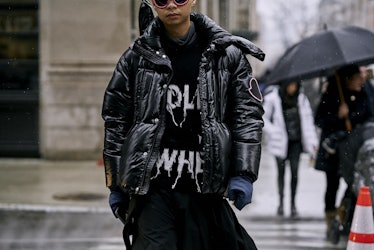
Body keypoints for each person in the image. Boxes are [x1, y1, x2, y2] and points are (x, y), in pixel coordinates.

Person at [101, 0, 265, 249]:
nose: (171, 6)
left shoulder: (227, 56)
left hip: (205, 188)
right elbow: (116, 121)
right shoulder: (135, 58)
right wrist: (116, 184)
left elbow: (246, 116)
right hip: (153, 189)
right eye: (162, 0)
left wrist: (243, 174)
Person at [314, 64, 374, 238]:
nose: (360, 82)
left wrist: (352, 116)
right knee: (332, 186)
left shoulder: (363, 93)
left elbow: (368, 115)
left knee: (353, 184)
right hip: (332, 150)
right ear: (348, 79)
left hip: (353, 150)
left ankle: (346, 216)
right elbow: (319, 119)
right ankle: (330, 222)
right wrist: (337, 116)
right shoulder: (333, 94)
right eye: (357, 78)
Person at [262, 81, 318, 217]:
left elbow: (307, 121)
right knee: (281, 173)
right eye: (290, 84)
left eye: (294, 84)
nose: (292, 87)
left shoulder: (301, 99)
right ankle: (281, 203)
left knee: (294, 173)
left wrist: (312, 141)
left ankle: (293, 204)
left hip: (295, 142)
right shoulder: (273, 98)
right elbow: (263, 118)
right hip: (280, 142)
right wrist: (274, 132)